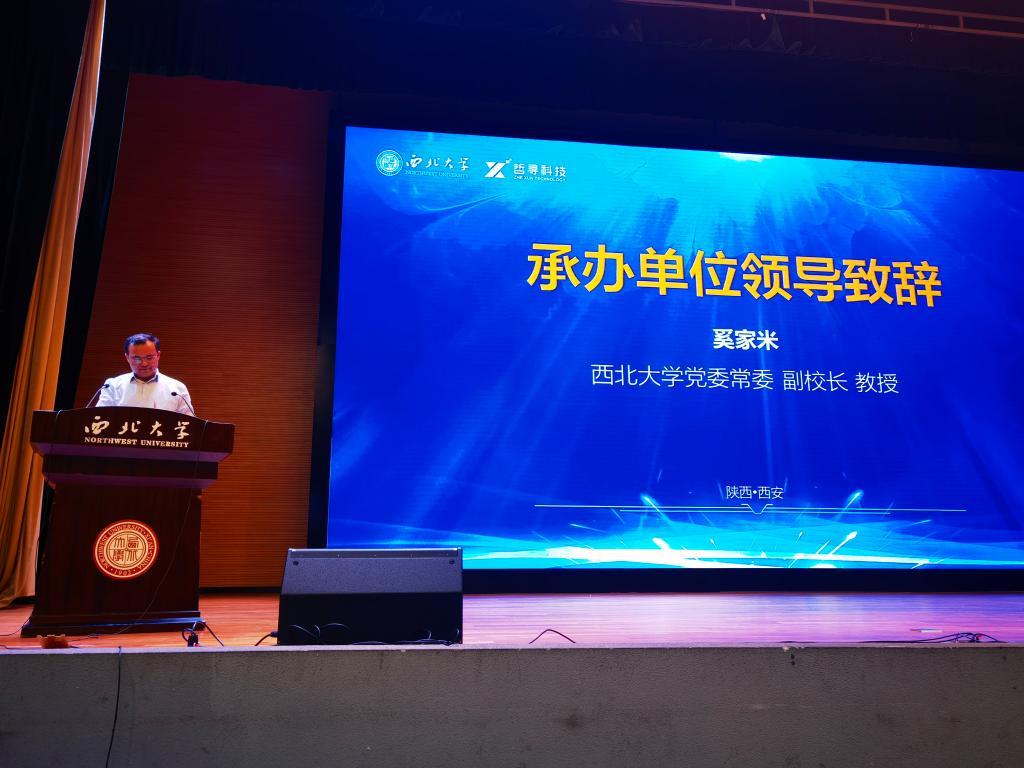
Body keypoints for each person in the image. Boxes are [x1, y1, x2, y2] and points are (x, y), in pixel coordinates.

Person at [94, 333, 195, 414]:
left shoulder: (177, 389)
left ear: (158, 355)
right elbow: (98, 418)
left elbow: (189, 424)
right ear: (127, 358)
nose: (144, 363)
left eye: (149, 358)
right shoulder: (112, 386)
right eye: (137, 358)